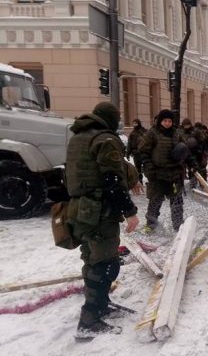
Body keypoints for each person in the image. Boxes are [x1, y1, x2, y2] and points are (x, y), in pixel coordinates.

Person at [65, 101, 140, 339]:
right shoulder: (105, 139)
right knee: (106, 263)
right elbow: (112, 180)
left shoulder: (78, 137)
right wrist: (129, 211)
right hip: (99, 211)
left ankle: (100, 305)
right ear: (111, 119)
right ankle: (89, 319)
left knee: (91, 258)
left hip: (80, 208)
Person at [139, 109, 186, 232]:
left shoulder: (176, 134)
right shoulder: (152, 134)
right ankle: (151, 226)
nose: (167, 123)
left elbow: (184, 149)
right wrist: (148, 166)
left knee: (177, 203)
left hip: (174, 174)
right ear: (160, 121)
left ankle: (179, 226)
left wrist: (190, 161)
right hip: (158, 174)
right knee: (155, 201)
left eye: (169, 121)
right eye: (165, 120)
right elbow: (143, 152)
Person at [126, 118, 147, 184]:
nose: (135, 125)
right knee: (138, 168)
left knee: (146, 166)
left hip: (144, 152)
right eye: (134, 123)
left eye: (136, 123)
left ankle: (148, 179)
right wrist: (128, 153)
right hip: (136, 153)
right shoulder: (132, 133)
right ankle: (140, 180)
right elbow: (129, 144)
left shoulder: (144, 131)